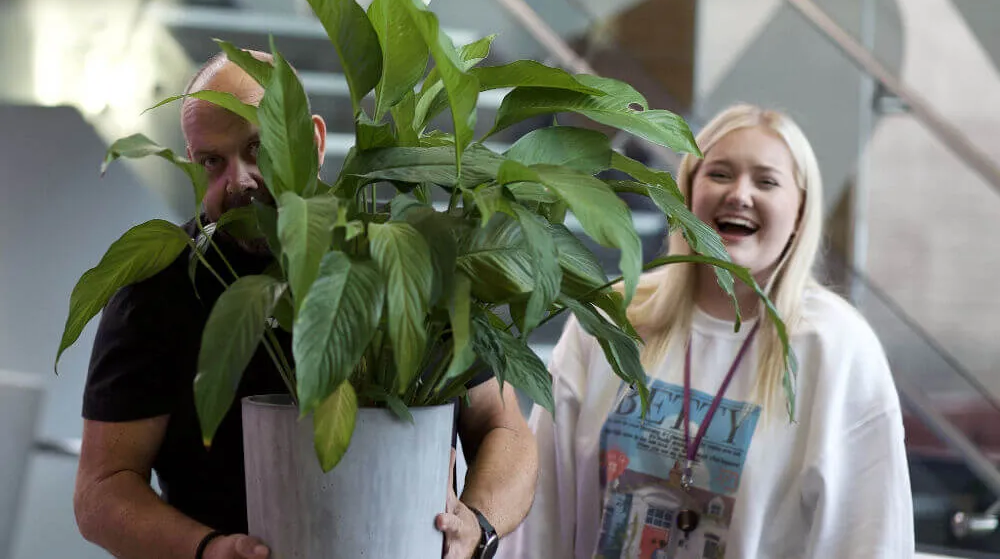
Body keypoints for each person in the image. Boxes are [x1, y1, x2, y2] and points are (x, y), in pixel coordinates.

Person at [74, 51, 538, 559]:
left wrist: (477, 525)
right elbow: (102, 490)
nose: (240, 180)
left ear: (314, 141)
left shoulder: (398, 252)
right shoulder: (159, 288)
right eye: (212, 161)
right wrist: (206, 550)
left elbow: (502, 426)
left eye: (259, 148)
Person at [501, 104, 914, 558]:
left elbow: (870, 537)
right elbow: (542, 511)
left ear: (800, 212)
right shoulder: (614, 316)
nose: (739, 194)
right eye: (719, 174)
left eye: (766, 181)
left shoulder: (837, 348)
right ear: (688, 193)